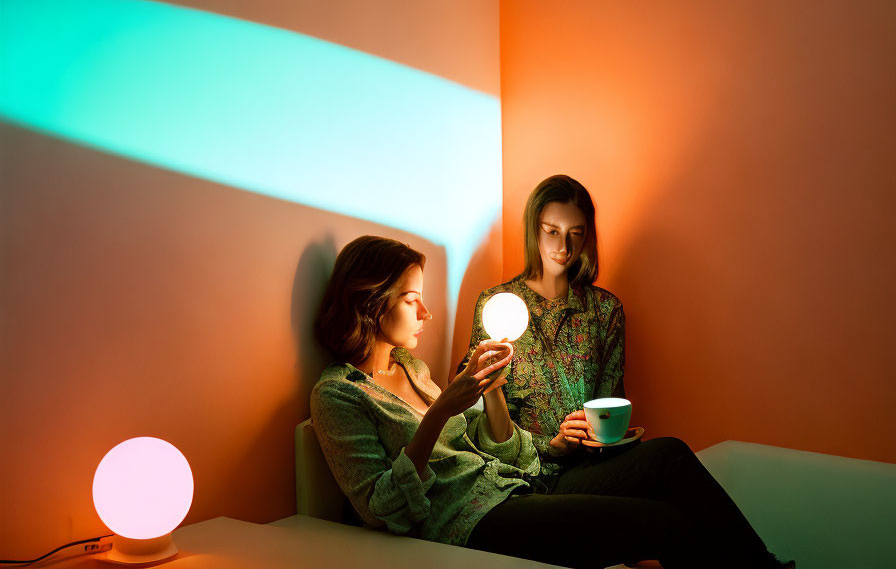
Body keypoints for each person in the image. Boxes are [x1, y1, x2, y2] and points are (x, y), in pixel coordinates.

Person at [312, 235, 791, 568]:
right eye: (411, 299)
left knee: (669, 456)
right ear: (371, 302)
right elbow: (379, 509)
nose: (427, 312)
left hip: (515, 487)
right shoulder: (336, 394)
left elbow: (500, 452)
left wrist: (493, 389)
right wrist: (442, 411)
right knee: (662, 522)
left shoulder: (412, 370)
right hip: (469, 522)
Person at [460, 175, 794, 568]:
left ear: (587, 238)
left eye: (575, 233)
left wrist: (604, 436)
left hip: (586, 471)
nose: (562, 247)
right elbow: (482, 427)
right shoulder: (497, 307)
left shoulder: (605, 311)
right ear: (534, 231)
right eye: (551, 231)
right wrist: (552, 443)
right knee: (671, 485)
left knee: (669, 457)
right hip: (526, 479)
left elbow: (608, 406)